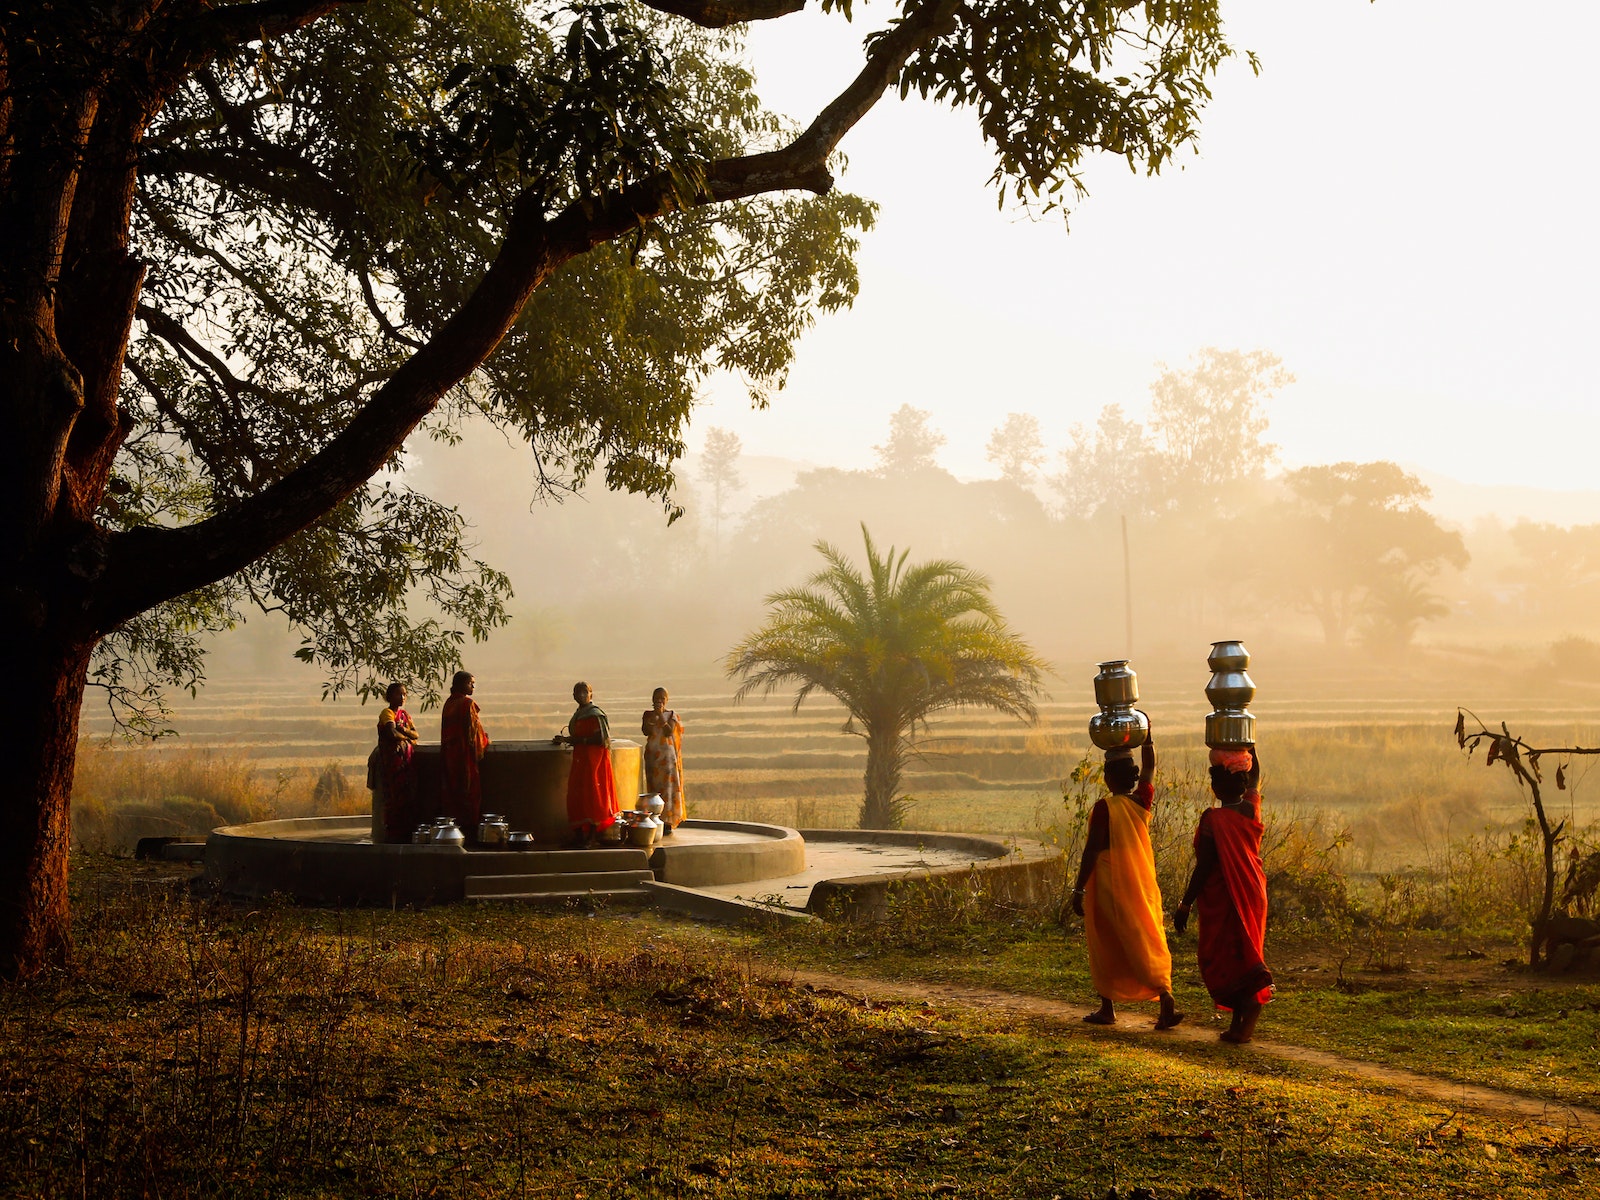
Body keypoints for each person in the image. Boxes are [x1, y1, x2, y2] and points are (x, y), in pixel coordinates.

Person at [1071, 722, 1182, 1029]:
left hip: (1107, 884)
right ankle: (1164, 995)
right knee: (1144, 934)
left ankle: (1107, 1007)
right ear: (1131, 776)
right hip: (1140, 882)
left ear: (1107, 778)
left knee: (1107, 941)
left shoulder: (1105, 808)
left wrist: (1079, 889)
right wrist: (1147, 736)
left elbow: (1092, 851)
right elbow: (1150, 768)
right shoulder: (1141, 801)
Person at [1174, 745, 1273, 1044]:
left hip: (1228, 896)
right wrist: (1249, 745)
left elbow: (1204, 867)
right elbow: (1255, 778)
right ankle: (1238, 1024)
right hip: (1252, 891)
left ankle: (1249, 1015)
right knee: (1243, 952)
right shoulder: (1249, 808)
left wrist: (1185, 903)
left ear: (1215, 788)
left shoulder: (1214, 821)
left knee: (1226, 956)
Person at [555, 681, 619, 844]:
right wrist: (567, 740)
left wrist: (578, 740)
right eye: (578, 693)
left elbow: (601, 739)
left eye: (585, 692)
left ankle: (591, 837)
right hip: (581, 760)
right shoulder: (580, 713)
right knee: (577, 796)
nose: (582, 695)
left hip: (593, 762)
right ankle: (579, 836)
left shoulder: (595, 714)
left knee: (593, 798)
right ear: (574, 696)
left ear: (591, 694)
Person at [440, 670, 490, 831]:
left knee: (452, 793)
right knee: (469, 793)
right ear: (460, 685)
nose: (473, 687)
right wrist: (485, 740)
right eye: (470, 683)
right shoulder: (467, 704)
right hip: (464, 757)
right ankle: (469, 830)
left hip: (449, 756)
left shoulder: (449, 703)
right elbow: (473, 734)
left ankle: (453, 830)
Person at [372, 681, 420, 842]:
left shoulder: (405, 716)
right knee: (393, 799)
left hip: (406, 764)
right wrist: (406, 736)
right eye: (399, 694)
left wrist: (404, 732)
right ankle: (393, 834)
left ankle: (404, 832)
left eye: (405, 694)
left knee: (407, 798)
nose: (402, 697)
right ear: (389, 697)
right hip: (392, 764)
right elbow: (392, 733)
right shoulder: (387, 713)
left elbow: (416, 735)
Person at [641, 687, 686, 835]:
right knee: (654, 788)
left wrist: (660, 715)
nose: (659, 700)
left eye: (662, 698)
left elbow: (668, 731)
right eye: (656, 697)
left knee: (668, 789)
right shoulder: (647, 715)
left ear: (667, 700)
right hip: (653, 757)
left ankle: (667, 821)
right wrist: (653, 718)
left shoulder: (672, 715)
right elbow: (645, 731)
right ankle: (654, 818)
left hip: (667, 759)